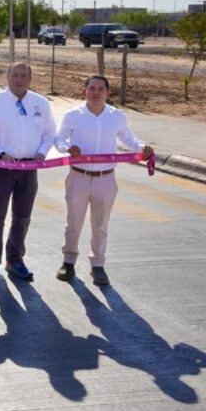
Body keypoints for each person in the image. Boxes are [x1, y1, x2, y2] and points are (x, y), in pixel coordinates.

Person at [53, 75, 154, 286]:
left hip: (105, 179)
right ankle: (68, 261)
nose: (96, 92)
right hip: (78, 176)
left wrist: (142, 147)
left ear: (108, 93)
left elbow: (128, 139)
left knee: (100, 224)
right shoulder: (73, 115)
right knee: (74, 222)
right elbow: (59, 139)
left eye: (101, 89)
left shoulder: (116, 116)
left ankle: (97, 265)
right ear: (84, 91)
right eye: (92, 88)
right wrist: (68, 148)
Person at [0, 62, 56, 281]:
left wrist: (41, 152)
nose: (19, 79)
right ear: (7, 76)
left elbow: (49, 133)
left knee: (22, 217)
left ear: (30, 79)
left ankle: (14, 260)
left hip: (29, 168)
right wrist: (0, 153)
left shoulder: (41, 103)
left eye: (24, 76)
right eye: (15, 75)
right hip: (1, 167)